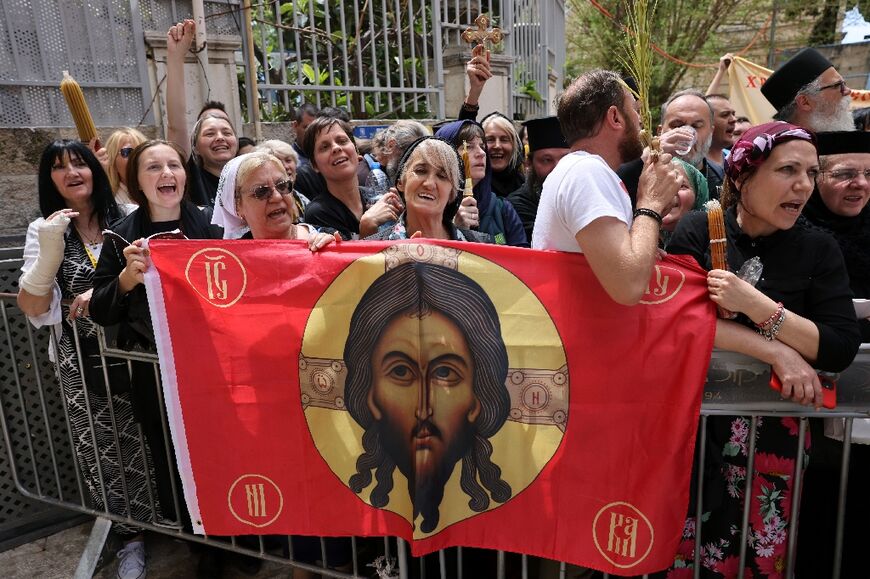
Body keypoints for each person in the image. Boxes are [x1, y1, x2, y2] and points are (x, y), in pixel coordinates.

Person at [663, 122, 861, 577]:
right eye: (787, 170)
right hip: (692, 431)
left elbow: (837, 347)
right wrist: (778, 352)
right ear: (742, 176)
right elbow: (677, 320)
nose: (803, 185)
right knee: (682, 555)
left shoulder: (818, 249)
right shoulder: (700, 230)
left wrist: (757, 307)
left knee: (760, 561)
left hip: (775, 440)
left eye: (811, 173)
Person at [17, 140, 156, 579]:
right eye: (59, 167)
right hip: (84, 365)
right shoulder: (45, 228)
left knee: (157, 442)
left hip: (143, 358)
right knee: (105, 455)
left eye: (79, 162)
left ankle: (178, 523)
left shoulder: (128, 216)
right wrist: (50, 254)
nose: (71, 172)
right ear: (49, 179)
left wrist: (109, 290)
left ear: (95, 169)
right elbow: (33, 307)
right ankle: (130, 538)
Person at [344, 261, 512, 533]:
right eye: (400, 371)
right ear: (371, 395)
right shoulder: (369, 522)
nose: (423, 410)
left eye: (445, 372)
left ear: (477, 398)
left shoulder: (496, 526)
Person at [532, 69, 682, 306]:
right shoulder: (587, 172)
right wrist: (651, 203)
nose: (641, 120)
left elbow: (618, 264)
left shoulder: (581, 169)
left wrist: (641, 247)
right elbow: (629, 286)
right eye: (635, 109)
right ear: (615, 117)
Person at [797, 129, 870, 578]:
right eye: (845, 174)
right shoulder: (797, 233)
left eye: (867, 174)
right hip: (813, 411)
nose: (859, 184)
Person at [165, 19, 239, 207]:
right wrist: (176, 57)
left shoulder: (251, 179)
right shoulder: (191, 178)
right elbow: (176, 126)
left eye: (227, 132)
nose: (220, 138)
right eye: (209, 133)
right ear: (195, 147)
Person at [365, 137, 491, 242]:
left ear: (452, 193)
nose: (430, 184)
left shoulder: (481, 246)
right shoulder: (374, 249)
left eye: (442, 176)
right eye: (420, 171)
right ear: (401, 183)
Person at [300, 116, 402, 239]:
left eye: (342, 141)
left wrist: (403, 215)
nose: (336, 148)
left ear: (356, 151)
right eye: (325, 147)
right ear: (314, 165)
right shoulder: (318, 213)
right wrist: (367, 226)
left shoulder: (375, 197)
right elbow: (346, 258)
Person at [213, 151, 338, 247]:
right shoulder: (233, 263)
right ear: (238, 206)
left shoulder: (326, 237)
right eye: (261, 191)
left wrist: (336, 251)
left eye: (282, 186)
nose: (277, 197)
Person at [434, 119, 528, 246]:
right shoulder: (430, 209)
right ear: (445, 156)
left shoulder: (501, 209)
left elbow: (521, 257)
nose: (482, 153)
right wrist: (453, 229)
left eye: (482, 146)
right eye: (469, 147)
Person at [507, 116, 570, 241]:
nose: (558, 168)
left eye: (565, 159)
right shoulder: (517, 204)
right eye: (547, 160)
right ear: (529, 163)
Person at [761, 47, 854, 132]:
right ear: (805, 102)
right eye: (837, 85)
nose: (847, 90)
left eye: (844, 84)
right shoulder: (790, 148)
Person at [253, 139, 310, 221]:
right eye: (278, 161)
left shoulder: (301, 198)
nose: (286, 166)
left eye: (288, 160)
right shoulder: (265, 203)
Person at [103, 127, 147, 205]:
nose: (136, 157)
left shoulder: (163, 194)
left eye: (142, 151)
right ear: (112, 162)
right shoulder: (108, 203)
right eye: (128, 152)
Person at [705, 94, 737, 166]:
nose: (734, 119)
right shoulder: (693, 164)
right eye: (725, 114)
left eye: (733, 114)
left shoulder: (735, 159)